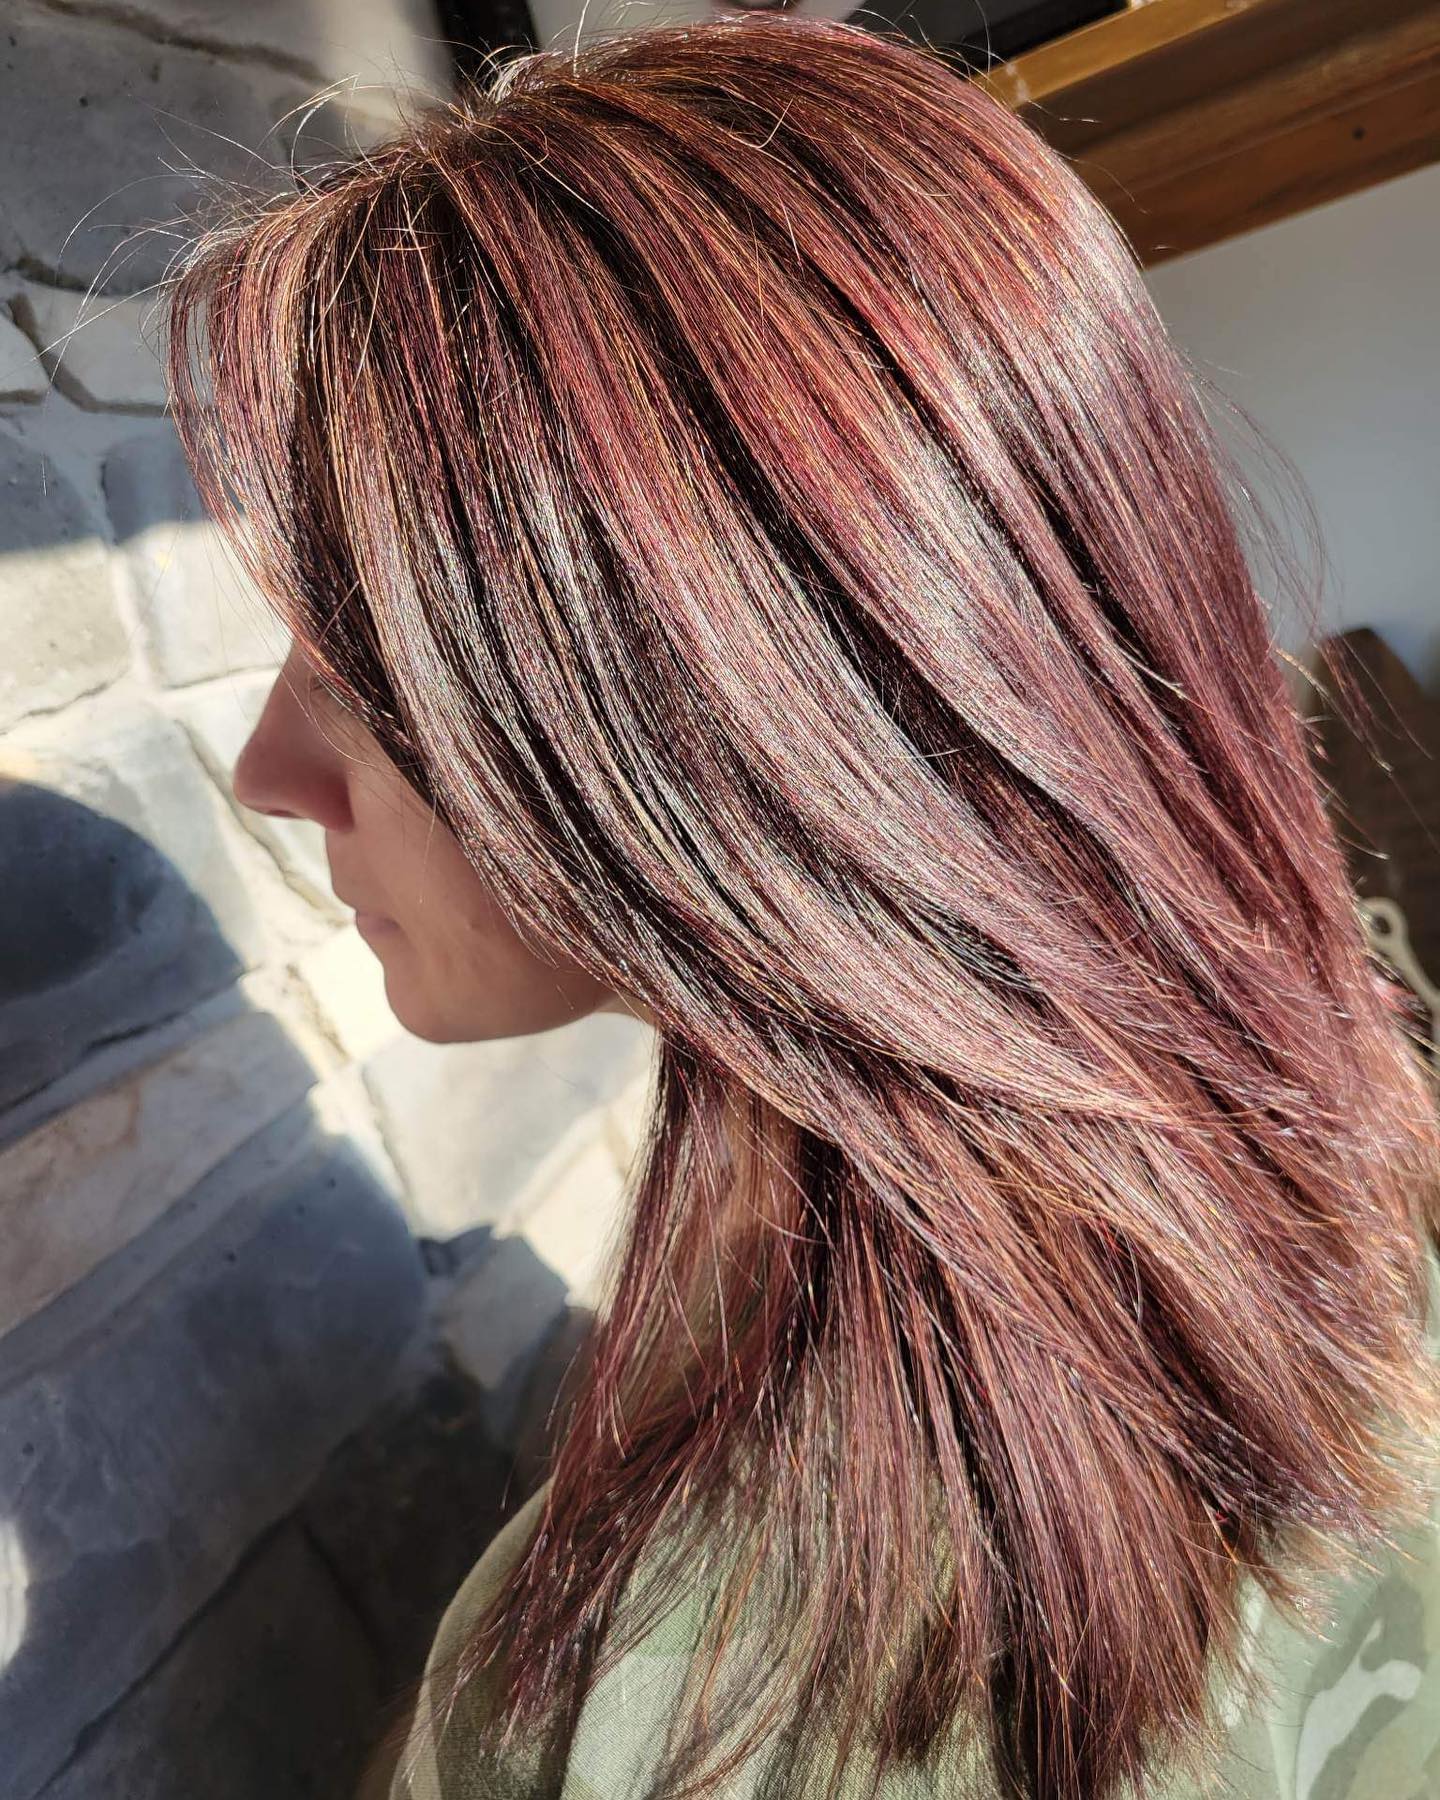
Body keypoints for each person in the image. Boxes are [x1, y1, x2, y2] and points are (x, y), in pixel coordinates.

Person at [161, 15, 1440, 1799]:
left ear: (737, 720)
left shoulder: (651, 1723)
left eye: (359, 673)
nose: (266, 771)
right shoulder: (1331, 1132)